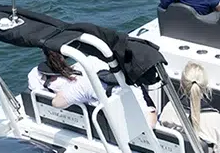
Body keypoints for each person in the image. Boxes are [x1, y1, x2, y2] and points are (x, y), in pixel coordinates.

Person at [28, 50, 158, 126]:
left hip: (129, 120)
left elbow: (56, 103)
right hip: (135, 119)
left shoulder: (82, 85)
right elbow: (151, 113)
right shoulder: (134, 87)